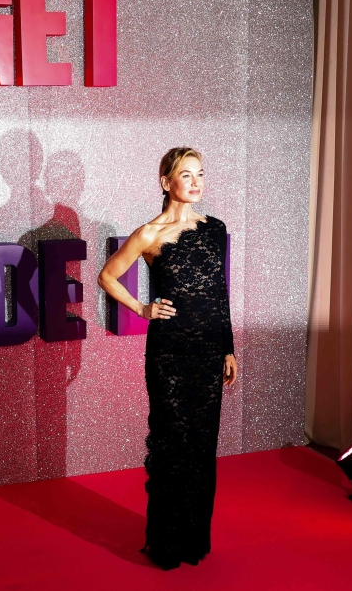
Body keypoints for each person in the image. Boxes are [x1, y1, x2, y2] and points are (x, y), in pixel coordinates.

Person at [97, 147, 238, 570]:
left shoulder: (215, 229)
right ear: (166, 182)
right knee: (173, 445)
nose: (196, 182)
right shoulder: (149, 234)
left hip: (209, 352)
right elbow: (107, 275)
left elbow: (219, 294)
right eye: (186, 175)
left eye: (200, 174)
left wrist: (228, 347)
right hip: (169, 355)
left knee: (201, 447)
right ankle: (166, 544)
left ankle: (193, 539)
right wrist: (142, 309)